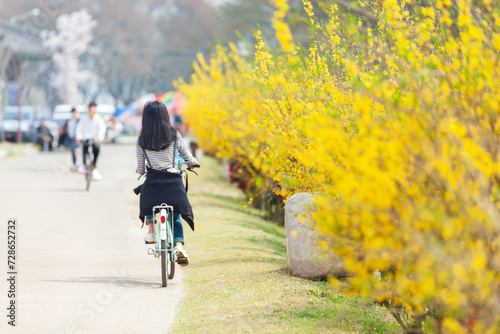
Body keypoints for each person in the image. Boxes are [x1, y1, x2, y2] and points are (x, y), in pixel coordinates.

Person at [136, 101, 199, 266]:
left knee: (146, 194)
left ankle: (150, 231)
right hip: (173, 185)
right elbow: (187, 156)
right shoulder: (174, 135)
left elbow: (141, 168)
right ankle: (179, 246)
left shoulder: (141, 140)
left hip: (154, 185)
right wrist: (194, 163)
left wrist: (142, 171)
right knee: (176, 216)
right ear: (165, 116)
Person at [76, 102, 106, 181]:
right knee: (84, 150)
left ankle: (94, 166)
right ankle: (84, 166)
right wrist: (78, 136)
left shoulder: (99, 119)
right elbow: (79, 128)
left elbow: (102, 129)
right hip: (85, 138)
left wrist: (100, 138)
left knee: (97, 149)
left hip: (95, 140)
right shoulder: (84, 119)